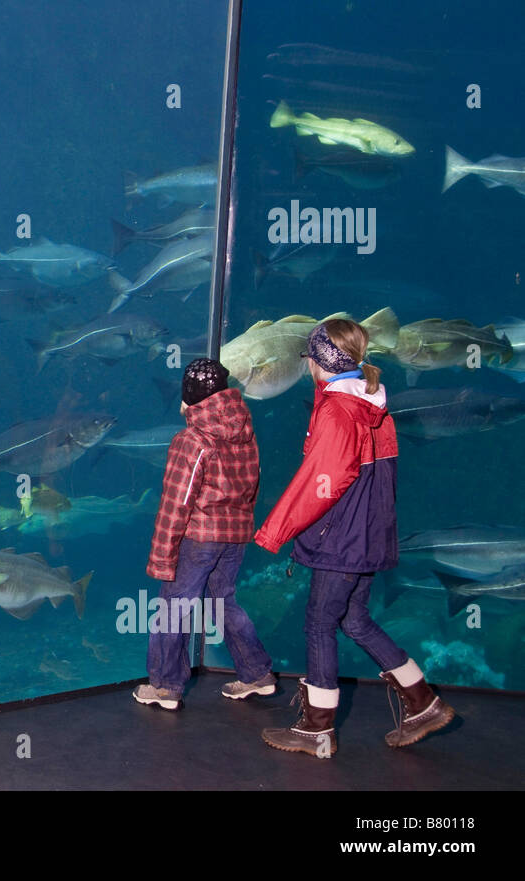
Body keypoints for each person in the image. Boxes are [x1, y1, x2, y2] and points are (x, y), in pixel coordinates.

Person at [254, 319, 455, 757]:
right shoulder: (371, 403)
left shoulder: (337, 410)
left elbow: (322, 480)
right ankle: (424, 703)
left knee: (319, 624)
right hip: (368, 533)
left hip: (341, 538)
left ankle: (316, 730)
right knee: (355, 620)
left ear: (318, 363)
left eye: (309, 358)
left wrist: (275, 531)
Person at [134, 358, 275, 711]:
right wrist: (243, 523)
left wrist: (162, 558)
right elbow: (254, 483)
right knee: (222, 601)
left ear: (190, 398)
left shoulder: (191, 439)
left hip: (199, 536)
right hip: (235, 534)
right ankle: (256, 673)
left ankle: (165, 685)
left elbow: (175, 504)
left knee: (174, 607)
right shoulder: (245, 430)